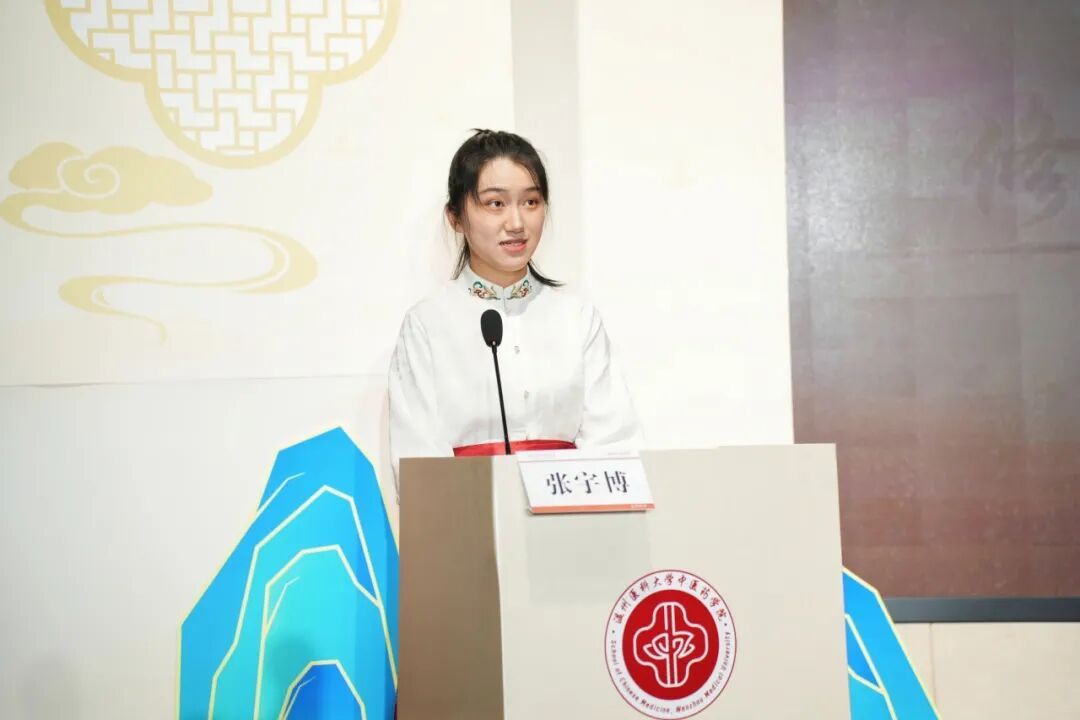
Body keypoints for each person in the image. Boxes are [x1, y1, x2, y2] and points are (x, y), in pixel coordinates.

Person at [388, 129, 642, 478]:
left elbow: (614, 444)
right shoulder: (428, 323)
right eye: (496, 204)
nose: (517, 223)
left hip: (569, 505)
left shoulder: (577, 318)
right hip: (467, 506)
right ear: (455, 217)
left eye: (531, 202)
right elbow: (418, 462)